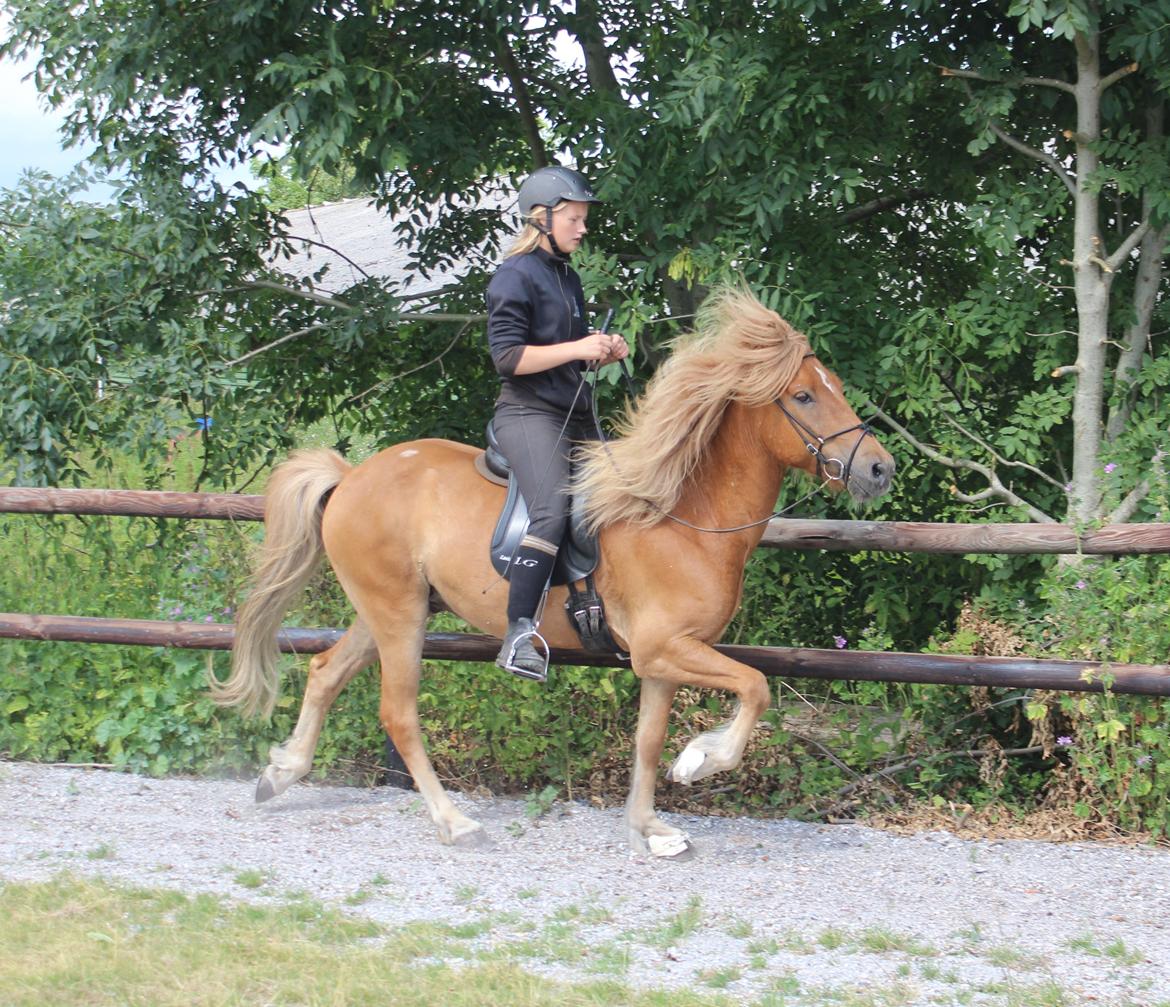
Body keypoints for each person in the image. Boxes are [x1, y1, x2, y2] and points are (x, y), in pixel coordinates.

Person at [486, 165, 629, 679]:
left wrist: (602, 351)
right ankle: (519, 632)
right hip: (527, 412)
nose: (582, 228)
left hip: (573, 409)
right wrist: (578, 347)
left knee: (627, 489)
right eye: (574, 217)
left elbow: (563, 351)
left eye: (583, 218)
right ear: (542, 218)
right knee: (549, 509)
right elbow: (508, 357)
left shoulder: (566, 275)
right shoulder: (513, 276)